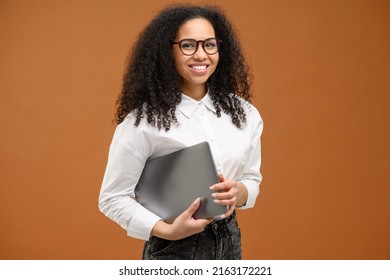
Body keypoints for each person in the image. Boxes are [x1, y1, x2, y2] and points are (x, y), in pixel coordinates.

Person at [98, 4, 263, 260]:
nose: (201, 55)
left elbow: (252, 178)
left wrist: (240, 192)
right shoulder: (141, 123)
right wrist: (167, 230)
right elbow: (112, 198)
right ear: (167, 52)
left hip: (229, 239)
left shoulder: (245, 114)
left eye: (209, 44)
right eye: (188, 45)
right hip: (174, 247)